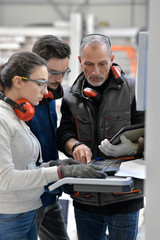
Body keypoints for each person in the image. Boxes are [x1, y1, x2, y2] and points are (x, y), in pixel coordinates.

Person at [0, 51, 106, 240]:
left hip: (27, 211)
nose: (45, 89)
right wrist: (59, 172)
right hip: (10, 217)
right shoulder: (2, 118)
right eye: (40, 82)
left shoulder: (17, 115)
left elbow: (26, 165)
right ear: (18, 82)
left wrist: (57, 166)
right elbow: (5, 179)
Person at [56, 33, 145, 240]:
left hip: (125, 196)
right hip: (85, 196)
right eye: (89, 64)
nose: (96, 71)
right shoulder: (70, 95)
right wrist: (74, 145)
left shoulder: (134, 90)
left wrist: (134, 148)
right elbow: (64, 133)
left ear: (112, 59)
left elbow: (151, 134)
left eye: (102, 64)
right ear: (79, 61)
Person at [27, 35, 71, 240]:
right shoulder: (21, 101)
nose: (59, 80)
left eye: (64, 72)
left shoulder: (49, 95)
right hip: (28, 198)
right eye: (54, 72)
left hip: (50, 193)